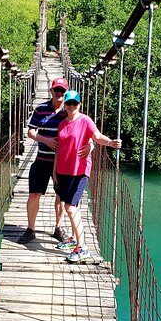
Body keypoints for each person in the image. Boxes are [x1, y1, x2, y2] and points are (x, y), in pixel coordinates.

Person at [18, 78, 93, 244]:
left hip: (64, 163)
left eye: (62, 91)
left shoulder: (70, 109)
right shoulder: (40, 109)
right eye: (56, 90)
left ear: (65, 93)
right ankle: (30, 230)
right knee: (34, 194)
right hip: (42, 159)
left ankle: (58, 228)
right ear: (51, 91)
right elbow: (30, 132)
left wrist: (91, 146)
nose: (59, 94)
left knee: (60, 196)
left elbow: (86, 130)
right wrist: (46, 140)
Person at [53, 90, 122, 262]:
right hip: (63, 170)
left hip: (80, 171)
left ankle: (82, 247)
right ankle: (75, 240)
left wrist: (111, 143)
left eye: (74, 104)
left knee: (70, 207)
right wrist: (54, 171)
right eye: (68, 103)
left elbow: (97, 136)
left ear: (79, 105)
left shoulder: (85, 120)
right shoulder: (62, 124)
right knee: (69, 206)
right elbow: (59, 149)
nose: (71, 107)